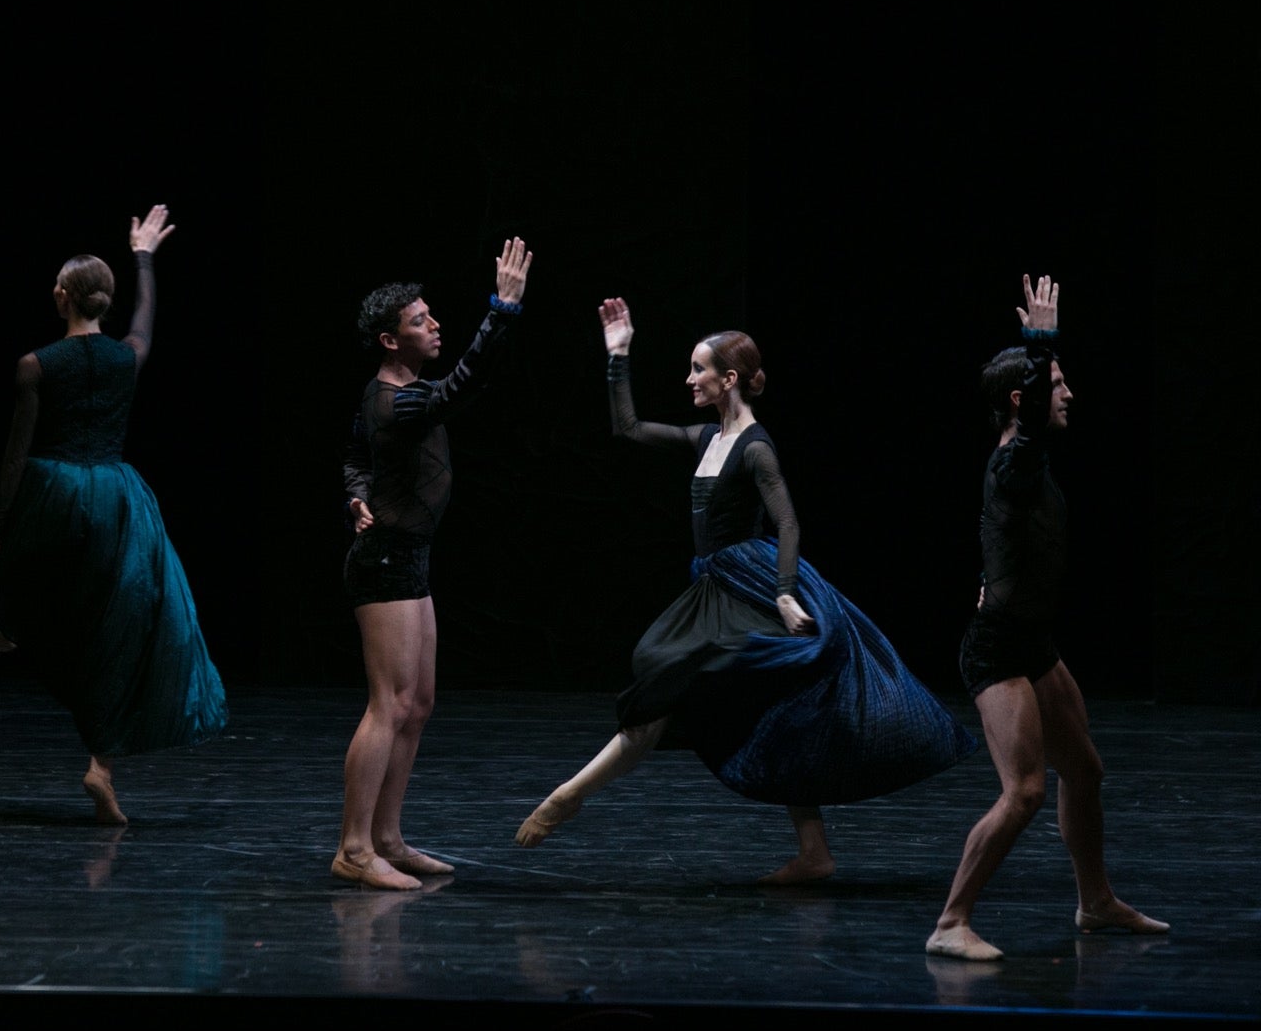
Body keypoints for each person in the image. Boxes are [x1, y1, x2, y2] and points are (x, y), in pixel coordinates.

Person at [514, 297, 976, 883]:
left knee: (675, 675)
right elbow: (626, 429)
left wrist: (785, 593)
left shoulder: (756, 446)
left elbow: (786, 521)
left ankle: (571, 793)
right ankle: (814, 854)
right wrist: (618, 355)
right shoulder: (707, 438)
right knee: (749, 697)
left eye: (698, 370)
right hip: (713, 583)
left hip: (751, 583)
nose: (689, 379)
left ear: (728, 379)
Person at [925, 274, 1168, 960]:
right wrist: (1040, 344)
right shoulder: (1016, 461)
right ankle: (950, 923)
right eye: (1055, 384)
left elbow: (998, 540)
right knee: (1025, 791)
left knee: (1083, 771)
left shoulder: (1022, 472)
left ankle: (1095, 903)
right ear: (1021, 398)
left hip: (1033, 642)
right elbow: (1030, 428)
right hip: (998, 650)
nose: (1068, 394)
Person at [0, 204, 227, 825]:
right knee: (116, 630)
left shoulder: (35, 364)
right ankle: (101, 763)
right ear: (103, 302)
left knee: (46, 589)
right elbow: (144, 323)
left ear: (61, 297)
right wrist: (144, 256)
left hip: (55, 490)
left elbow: (15, 456)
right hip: (117, 498)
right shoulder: (126, 358)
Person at [334, 237, 533, 890]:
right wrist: (501, 310)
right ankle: (354, 848)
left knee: (418, 703)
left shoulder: (393, 394)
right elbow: (461, 388)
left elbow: (355, 459)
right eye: (420, 320)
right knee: (388, 704)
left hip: (408, 554)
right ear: (392, 341)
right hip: (384, 560)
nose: (434, 324)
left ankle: (388, 837)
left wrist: (356, 495)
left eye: (430, 315)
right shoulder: (397, 400)